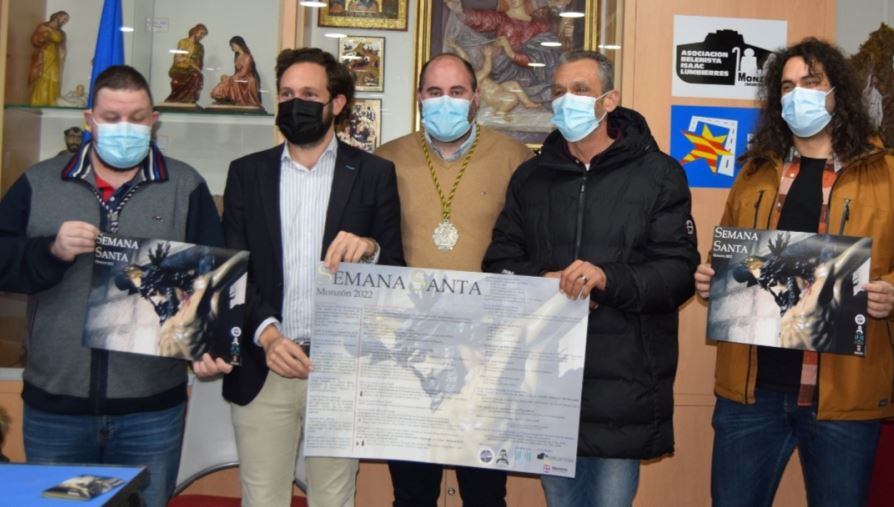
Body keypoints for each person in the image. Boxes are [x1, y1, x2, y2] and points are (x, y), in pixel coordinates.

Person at [0, 65, 229, 507]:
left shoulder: (185, 185)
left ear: (154, 120)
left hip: (151, 409)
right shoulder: (39, 182)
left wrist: (206, 347)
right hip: (56, 406)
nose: (125, 127)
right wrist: (50, 251)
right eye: (111, 117)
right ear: (89, 119)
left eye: (137, 118)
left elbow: (210, 283)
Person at [483, 50, 699, 506]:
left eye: (580, 90)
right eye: (558, 92)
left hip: (624, 383)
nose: (567, 101)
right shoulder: (531, 177)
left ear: (609, 100)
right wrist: (545, 281)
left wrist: (607, 279)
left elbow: (677, 273)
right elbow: (499, 261)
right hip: (546, 380)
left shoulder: (659, 174)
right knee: (559, 499)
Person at [694, 38, 894, 507]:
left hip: (843, 398)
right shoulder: (755, 172)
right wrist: (711, 279)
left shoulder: (885, 174)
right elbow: (727, 256)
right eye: (787, 86)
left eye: (811, 82)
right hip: (752, 393)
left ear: (838, 92)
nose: (798, 94)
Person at [219, 47, 404, 507]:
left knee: (334, 500)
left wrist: (370, 249)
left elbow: (396, 267)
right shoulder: (245, 173)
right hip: (264, 364)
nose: (294, 103)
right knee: (262, 499)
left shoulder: (374, 174)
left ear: (336, 103)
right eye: (286, 94)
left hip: (339, 369)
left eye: (307, 94)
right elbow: (232, 270)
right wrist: (267, 335)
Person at [374, 52, 532, 507]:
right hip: (410, 356)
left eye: (457, 92)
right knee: (412, 494)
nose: (446, 101)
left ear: (476, 98)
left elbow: (531, 250)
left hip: (485, 356)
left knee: (485, 495)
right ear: (420, 98)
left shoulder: (517, 160)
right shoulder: (385, 161)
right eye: (435, 92)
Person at [29, 10, 69, 106]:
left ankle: (51, 102)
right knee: (42, 77)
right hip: (44, 56)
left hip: (54, 57)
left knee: (54, 78)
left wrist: (62, 57)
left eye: (66, 20)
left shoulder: (61, 33)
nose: (64, 21)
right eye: (64, 19)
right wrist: (42, 38)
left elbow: (61, 45)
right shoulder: (43, 27)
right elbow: (34, 40)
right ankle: (38, 102)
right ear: (58, 17)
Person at [210, 36, 262, 108]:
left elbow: (244, 72)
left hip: (246, 79)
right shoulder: (237, 57)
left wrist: (230, 78)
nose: (232, 48)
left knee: (232, 80)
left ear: (239, 44)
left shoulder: (247, 57)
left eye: (232, 45)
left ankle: (236, 100)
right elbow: (237, 73)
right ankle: (227, 98)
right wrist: (229, 77)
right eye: (231, 46)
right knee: (224, 77)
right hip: (238, 78)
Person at [165, 24, 208, 104]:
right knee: (195, 75)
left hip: (193, 69)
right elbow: (178, 59)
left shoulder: (200, 47)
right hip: (180, 68)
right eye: (201, 33)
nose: (202, 36)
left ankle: (190, 98)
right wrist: (189, 62)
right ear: (195, 31)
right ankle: (178, 97)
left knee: (197, 76)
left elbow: (200, 62)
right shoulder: (183, 42)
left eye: (204, 35)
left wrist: (195, 65)